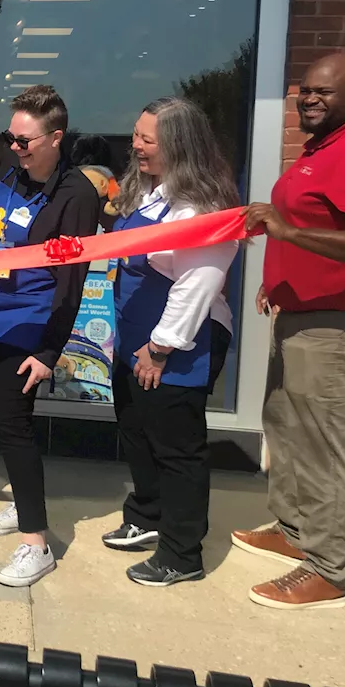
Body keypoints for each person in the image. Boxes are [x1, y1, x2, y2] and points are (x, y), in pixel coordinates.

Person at [236, 52, 345, 610]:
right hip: (304, 315)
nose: (308, 99)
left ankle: (330, 570)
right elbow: (316, 225)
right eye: (304, 90)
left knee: (329, 447)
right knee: (287, 429)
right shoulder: (322, 150)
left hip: (343, 326)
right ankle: (293, 531)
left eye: (324, 92)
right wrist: (279, 279)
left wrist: (284, 230)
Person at [0, 85, 99, 586]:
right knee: (3, 423)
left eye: (24, 141)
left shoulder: (77, 195)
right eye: (10, 138)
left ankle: (36, 542)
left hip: (28, 330)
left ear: (55, 137)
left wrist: (49, 350)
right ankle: (23, 508)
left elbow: (73, 281)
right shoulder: (10, 176)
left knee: (14, 427)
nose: (15, 148)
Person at [103, 97, 238, 586]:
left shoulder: (203, 207)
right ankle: (147, 513)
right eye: (136, 134)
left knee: (176, 448)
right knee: (138, 430)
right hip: (134, 335)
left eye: (147, 140)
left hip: (180, 344)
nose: (135, 145)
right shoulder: (150, 191)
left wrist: (161, 348)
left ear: (179, 145)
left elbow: (197, 284)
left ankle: (181, 553)